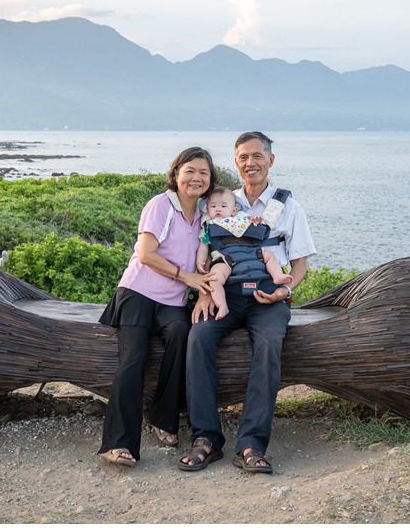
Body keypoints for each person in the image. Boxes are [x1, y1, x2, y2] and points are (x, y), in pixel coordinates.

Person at [179, 131, 316, 474]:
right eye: (243, 157)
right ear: (236, 162)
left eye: (257, 156)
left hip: (268, 298)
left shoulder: (287, 206)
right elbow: (209, 250)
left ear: (271, 160)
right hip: (226, 293)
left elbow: (299, 263)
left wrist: (285, 291)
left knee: (269, 345)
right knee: (197, 338)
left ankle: (251, 444)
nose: (250, 163)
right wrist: (207, 291)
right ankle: (206, 439)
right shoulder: (224, 200)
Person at [95, 147, 219, 467]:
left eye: (203, 173)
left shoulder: (206, 214)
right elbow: (147, 254)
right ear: (176, 173)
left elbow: (211, 259)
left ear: (210, 179)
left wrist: (205, 290)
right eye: (189, 170)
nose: (196, 178)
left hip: (172, 301)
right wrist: (186, 277)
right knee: (133, 358)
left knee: (181, 337)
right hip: (138, 292)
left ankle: (162, 418)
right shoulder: (160, 204)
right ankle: (118, 443)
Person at [196, 186, 293, 321]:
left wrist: (257, 219)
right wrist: (200, 263)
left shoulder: (242, 218)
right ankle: (222, 305)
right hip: (224, 258)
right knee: (215, 278)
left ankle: (278, 276)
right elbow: (203, 247)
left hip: (252, 253)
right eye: (213, 207)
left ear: (234, 210)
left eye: (223, 206)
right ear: (207, 209)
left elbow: (257, 222)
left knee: (269, 255)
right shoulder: (208, 226)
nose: (218, 209)